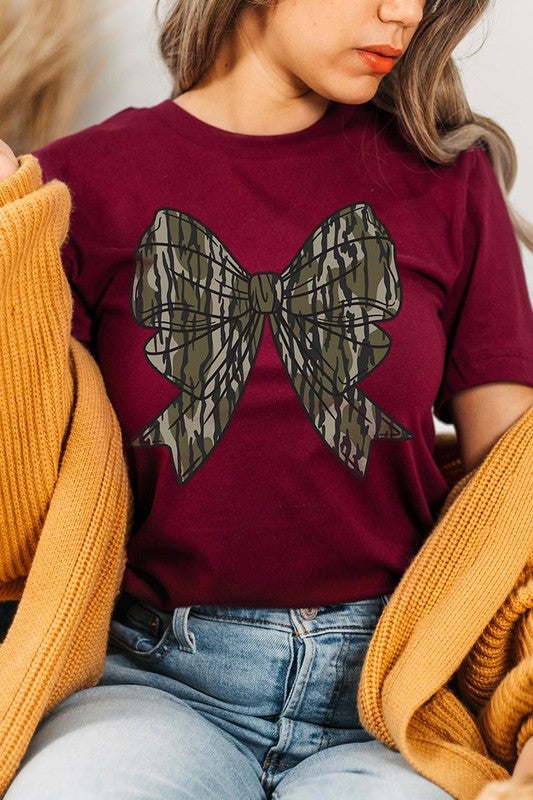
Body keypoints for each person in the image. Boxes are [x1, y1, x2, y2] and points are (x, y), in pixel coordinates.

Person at [0, 0, 532, 797]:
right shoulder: (73, 184)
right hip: (151, 684)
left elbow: (515, 500)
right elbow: (21, 507)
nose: (402, 14)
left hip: (393, 696)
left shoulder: (450, 184)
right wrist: (10, 242)